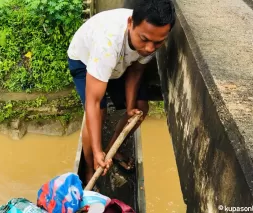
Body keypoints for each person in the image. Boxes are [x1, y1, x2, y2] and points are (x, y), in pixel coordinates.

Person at [67, 0, 176, 185]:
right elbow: (93, 102)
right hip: (85, 61)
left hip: (120, 64)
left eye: (157, 43)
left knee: (141, 108)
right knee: (97, 113)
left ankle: (111, 151)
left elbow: (135, 71)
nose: (149, 48)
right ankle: (89, 168)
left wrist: (130, 108)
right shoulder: (107, 44)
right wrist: (96, 150)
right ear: (130, 23)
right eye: (144, 39)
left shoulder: (150, 38)